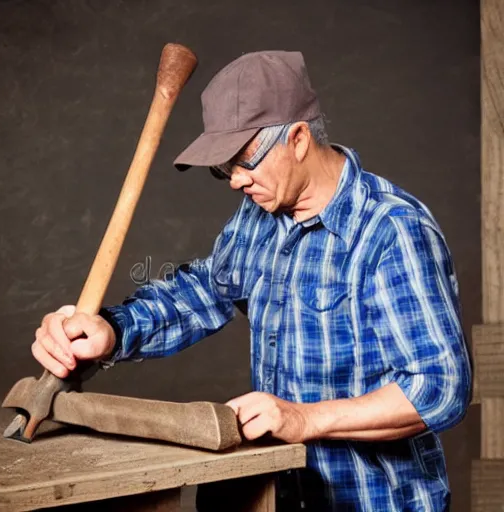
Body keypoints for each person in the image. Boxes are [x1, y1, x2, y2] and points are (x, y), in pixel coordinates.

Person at [32, 51, 472, 511]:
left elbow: (440, 389)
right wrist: (114, 331)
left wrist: (303, 419)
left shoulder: (391, 229)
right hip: (279, 497)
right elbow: (203, 291)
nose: (235, 181)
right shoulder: (260, 216)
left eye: (243, 161)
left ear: (298, 138)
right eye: (224, 169)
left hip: (374, 501)